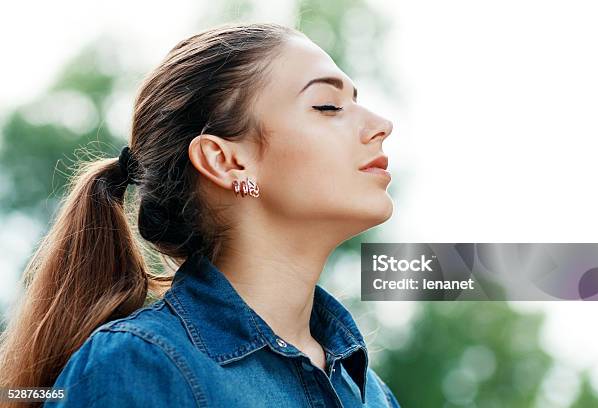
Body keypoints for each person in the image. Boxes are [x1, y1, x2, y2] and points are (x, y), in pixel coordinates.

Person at [0, 22, 399, 407]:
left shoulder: (370, 394)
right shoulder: (139, 366)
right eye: (328, 106)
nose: (382, 125)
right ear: (226, 161)